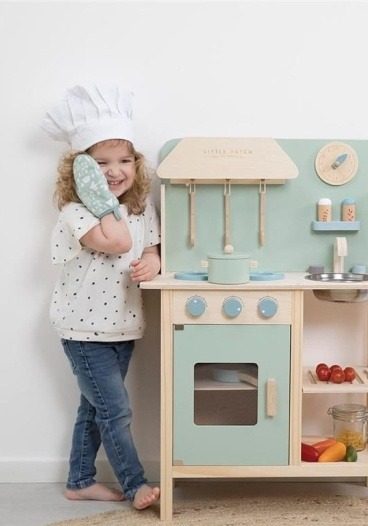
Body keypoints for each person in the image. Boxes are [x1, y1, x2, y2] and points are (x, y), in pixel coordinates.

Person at [42, 85, 161, 510]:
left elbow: (146, 245)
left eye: (124, 160)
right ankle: (135, 484)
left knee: (93, 410)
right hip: (83, 329)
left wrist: (154, 262)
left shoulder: (142, 208)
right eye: (101, 163)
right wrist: (103, 200)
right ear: (81, 171)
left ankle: (79, 481)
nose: (115, 171)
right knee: (116, 411)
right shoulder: (77, 212)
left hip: (124, 325)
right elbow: (117, 241)